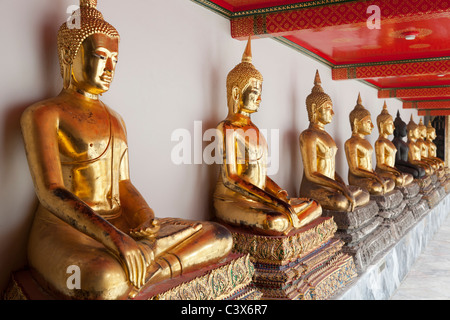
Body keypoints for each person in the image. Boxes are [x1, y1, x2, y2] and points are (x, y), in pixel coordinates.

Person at [21, 0, 232, 300]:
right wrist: (115, 238)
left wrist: (145, 219)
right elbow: (50, 191)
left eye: (115, 61)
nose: (110, 68)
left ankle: (144, 268)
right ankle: (144, 266)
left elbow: (123, 184)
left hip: (120, 224)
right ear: (69, 54)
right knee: (101, 278)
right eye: (100, 56)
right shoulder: (44, 114)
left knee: (218, 235)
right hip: (65, 230)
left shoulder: (116, 119)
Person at [213, 38, 322, 236]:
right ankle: (290, 220)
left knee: (314, 205)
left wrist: (280, 194)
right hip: (232, 201)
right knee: (276, 221)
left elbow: (259, 177)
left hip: (258, 199)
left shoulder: (255, 129)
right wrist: (274, 202)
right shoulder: (227, 127)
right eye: (255, 92)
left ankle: (290, 218)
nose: (260, 98)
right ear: (237, 92)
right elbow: (232, 179)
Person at [299, 71, 370, 212]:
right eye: (328, 108)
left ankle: (347, 196)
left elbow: (331, 170)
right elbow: (312, 173)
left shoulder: (327, 136)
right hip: (314, 189)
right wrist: (341, 189)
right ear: (314, 109)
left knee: (365, 193)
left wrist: (343, 185)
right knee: (341, 203)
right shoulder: (308, 135)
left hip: (331, 187)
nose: (332, 113)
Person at [345, 94, 395, 195]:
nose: (372, 126)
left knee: (391, 182)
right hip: (358, 179)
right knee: (376, 188)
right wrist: (375, 176)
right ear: (356, 122)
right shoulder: (351, 142)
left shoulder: (366, 142)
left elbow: (369, 166)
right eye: (368, 122)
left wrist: (374, 174)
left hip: (370, 176)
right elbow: (354, 170)